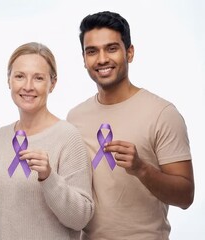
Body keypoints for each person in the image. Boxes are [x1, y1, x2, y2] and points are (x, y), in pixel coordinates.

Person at [67, 11, 195, 240]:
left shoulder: (162, 114)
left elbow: (185, 196)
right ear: (84, 59)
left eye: (112, 48)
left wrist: (141, 169)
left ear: (130, 52)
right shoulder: (75, 117)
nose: (102, 59)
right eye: (92, 51)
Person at [0, 42, 94, 240]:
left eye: (38, 78)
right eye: (20, 76)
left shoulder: (67, 137)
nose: (28, 86)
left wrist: (49, 177)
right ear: (9, 80)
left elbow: (81, 218)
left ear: (52, 84)